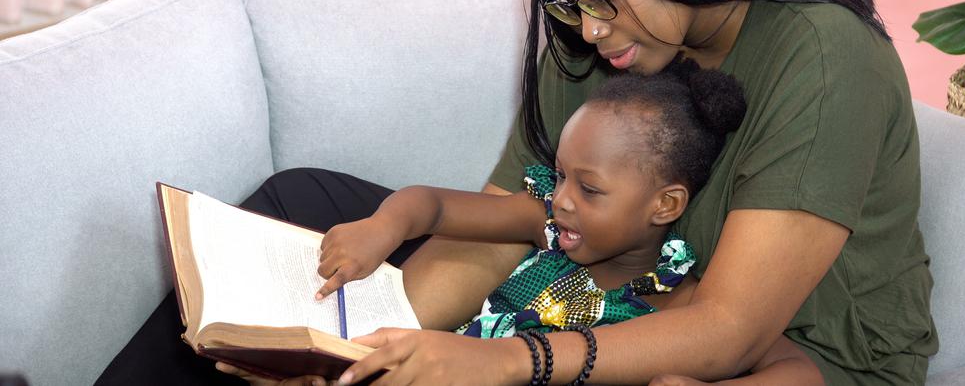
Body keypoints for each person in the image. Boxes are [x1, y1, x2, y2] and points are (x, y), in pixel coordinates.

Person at [100, 0, 937, 384]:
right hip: (602, 279)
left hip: (797, 353)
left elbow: (732, 329)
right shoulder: (595, 35)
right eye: (570, 1)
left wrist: (498, 361)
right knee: (297, 200)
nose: (589, 26)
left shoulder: (822, 55)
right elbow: (510, 223)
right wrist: (370, 347)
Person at [299, 59, 822, 386]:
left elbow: (799, 371)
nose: (564, 199)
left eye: (589, 189)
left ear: (665, 205)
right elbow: (431, 205)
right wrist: (385, 226)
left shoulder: (679, 302)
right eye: (562, 176)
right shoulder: (542, 225)